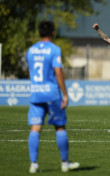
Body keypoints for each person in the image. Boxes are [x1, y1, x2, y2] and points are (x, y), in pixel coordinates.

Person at [26, 21, 79, 173]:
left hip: (36, 93)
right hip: (51, 94)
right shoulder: (54, 49)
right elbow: (58, 71)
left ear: (39, 33)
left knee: (35, 128)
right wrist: (65, 94)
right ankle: (64, 163)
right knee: (60, 127)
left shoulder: (31, 50)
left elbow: (31, 73)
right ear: (53, 32)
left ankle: (33, 164)